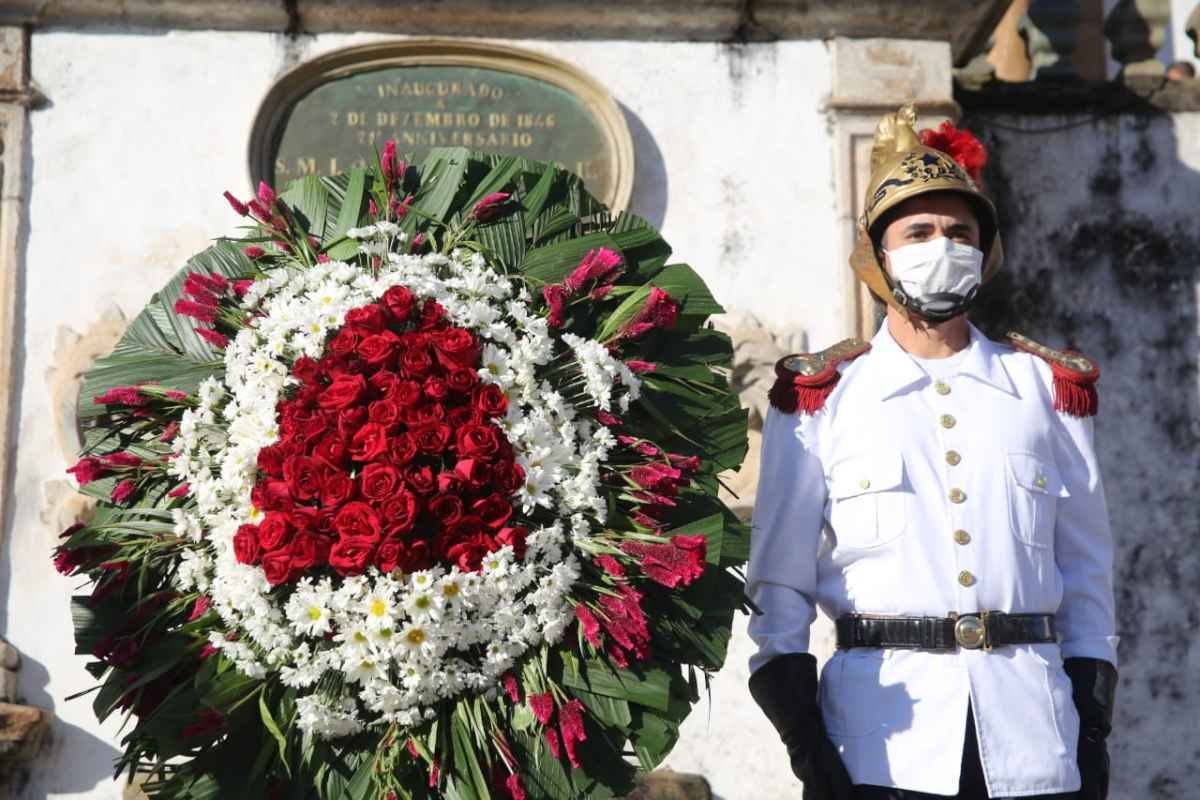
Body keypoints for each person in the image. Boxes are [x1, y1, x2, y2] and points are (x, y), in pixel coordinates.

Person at [745, 104, 1118, 800]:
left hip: (1035, 744)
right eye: (918, 231)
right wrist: (806, 745)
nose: (941, 244)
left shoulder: (1043, 387)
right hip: (880, 748)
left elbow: (1087, 571)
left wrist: (1091, 730)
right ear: (880, 255)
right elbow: (779, 585)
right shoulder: (825, 399)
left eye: (959, 232)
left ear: (986, 251)